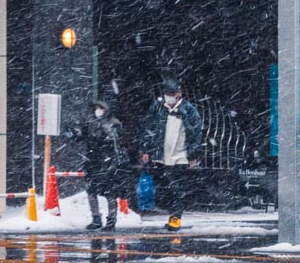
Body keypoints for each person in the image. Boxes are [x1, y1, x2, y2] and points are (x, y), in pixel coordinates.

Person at [139, 77, 205, 231]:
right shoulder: (158, 108)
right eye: (166, 94)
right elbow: (148, 129)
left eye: (171, 94)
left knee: (177, 189)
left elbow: (195, 134)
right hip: (160, 156)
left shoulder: (188, 110)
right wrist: (146, 149)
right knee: (164, 189)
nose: (168, 97)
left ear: (178, 94)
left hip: (180, 156)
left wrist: (194, 155)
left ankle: (175, 219)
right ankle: (172, 215)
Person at [72, 98, 129, 231]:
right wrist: (75, 133)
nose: (98, 111)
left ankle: (111, 220)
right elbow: (82, 136)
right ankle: (96, 218)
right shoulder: (91, 123)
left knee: (110, 191)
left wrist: (104, 128)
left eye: (100, 108)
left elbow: (116, 140)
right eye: (96, 109)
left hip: (109, 161)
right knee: (91, 190)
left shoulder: (114, 123)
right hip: (93, 160)